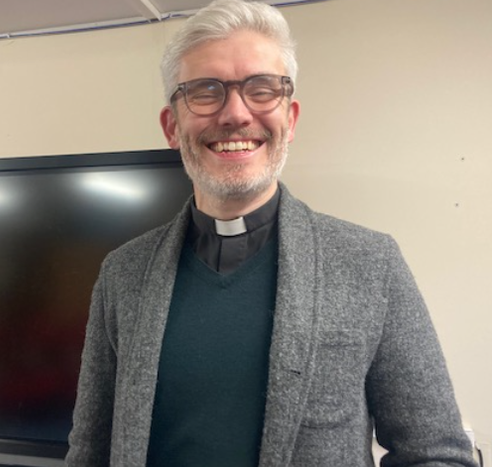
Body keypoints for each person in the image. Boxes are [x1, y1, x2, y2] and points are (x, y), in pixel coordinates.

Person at [65, 0, 476, 466]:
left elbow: (436, 453)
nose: (236, 114)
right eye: (205, 91)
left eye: (261, 89)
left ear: (291, 118)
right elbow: (90, 452)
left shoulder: (371, 264)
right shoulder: (123, 273)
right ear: (172, 126)